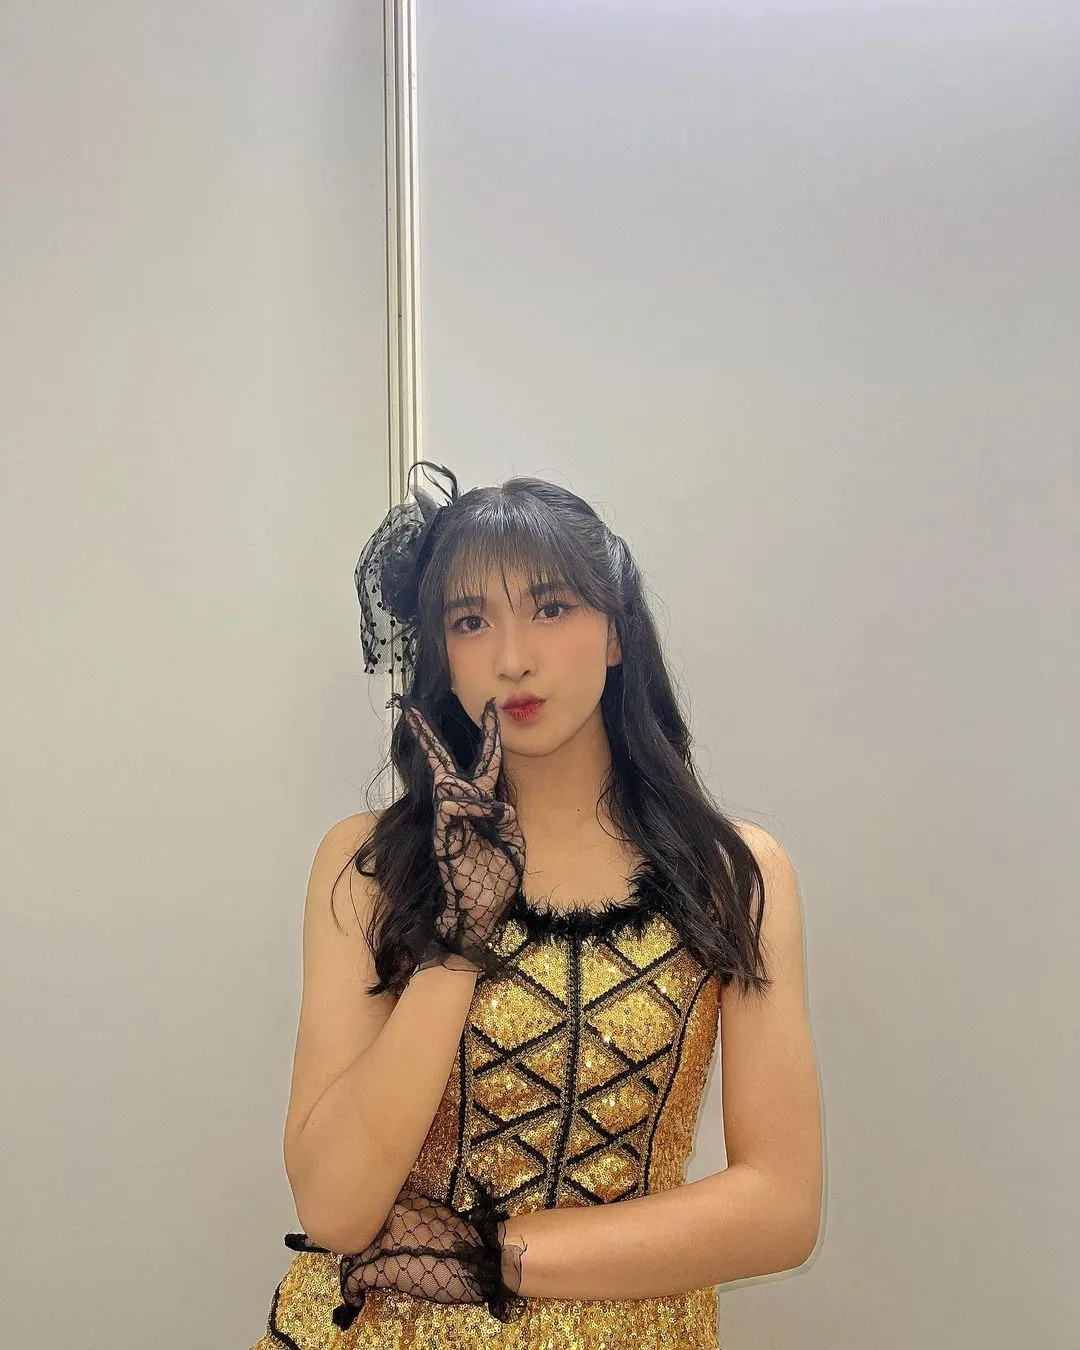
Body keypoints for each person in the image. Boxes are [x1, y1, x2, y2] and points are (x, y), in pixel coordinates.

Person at [250, 462, 822, 1348]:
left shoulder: (732, 874)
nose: (512, 658)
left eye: (551, 608)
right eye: (470, 621)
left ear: (616, 633)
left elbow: (782, 1209)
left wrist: (499, 1257)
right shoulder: (369, 865)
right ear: (440, 654)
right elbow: (334, 1207)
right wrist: (458, 942)